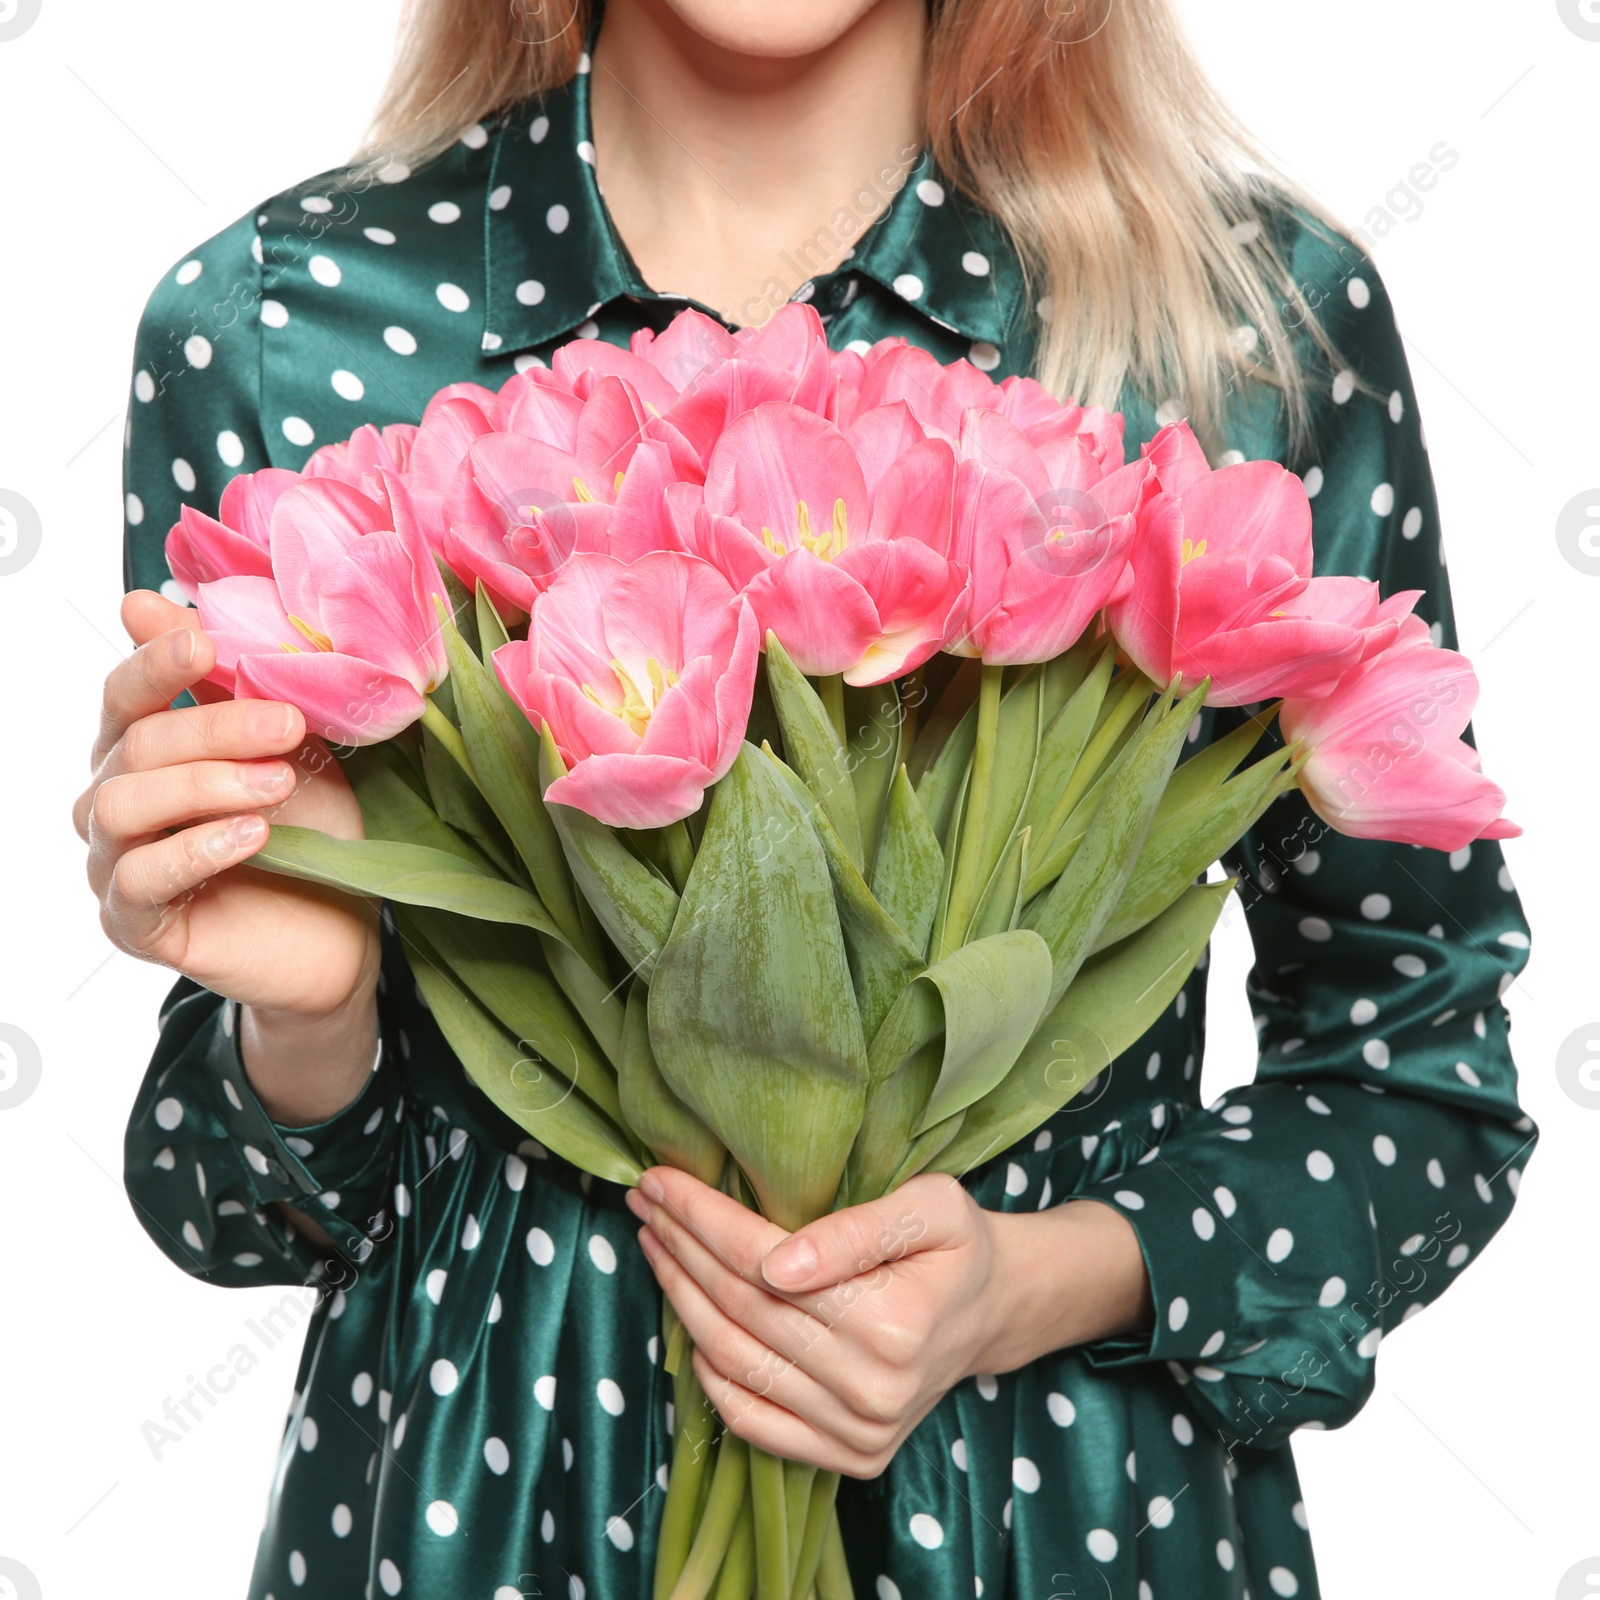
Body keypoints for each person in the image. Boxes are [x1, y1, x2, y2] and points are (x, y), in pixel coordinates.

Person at [80, 0, 1535, 1595]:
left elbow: (1418, 1077)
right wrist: (310, 1021)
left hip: (1060, 1520)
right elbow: (227, 1210)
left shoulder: (1247, 324)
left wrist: (1028, 1285)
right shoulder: (285, 328)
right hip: (483, 1519)